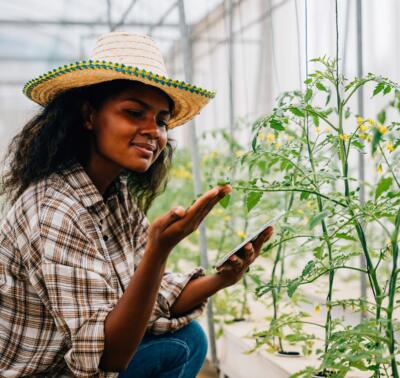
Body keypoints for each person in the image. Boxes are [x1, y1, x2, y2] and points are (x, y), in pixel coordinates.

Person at [0, 32, 273, 377]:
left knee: (190, 339)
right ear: (88, 115)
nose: (154, 132)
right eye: (133, 113)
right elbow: (107, 358)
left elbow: (148, 295)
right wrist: (158, 250)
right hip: (49, 371)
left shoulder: (112, 196)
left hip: (79, 362)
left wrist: (223, 278)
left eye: (160, 120)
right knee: (176, 348)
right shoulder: (55, 210)